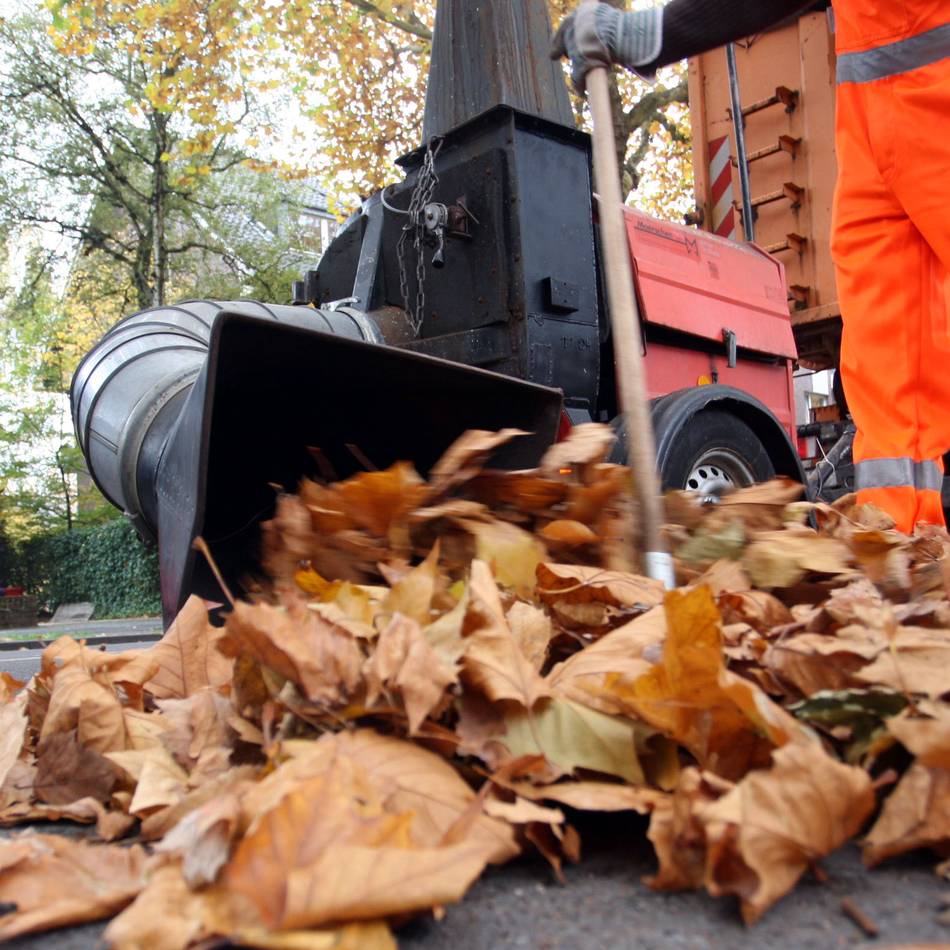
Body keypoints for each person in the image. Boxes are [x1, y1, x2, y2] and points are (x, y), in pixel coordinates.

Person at [553, 1, 950, 533]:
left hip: (930, 95)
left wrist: (653, 33)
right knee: (890, 363)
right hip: (871, 122)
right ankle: (903, 549)